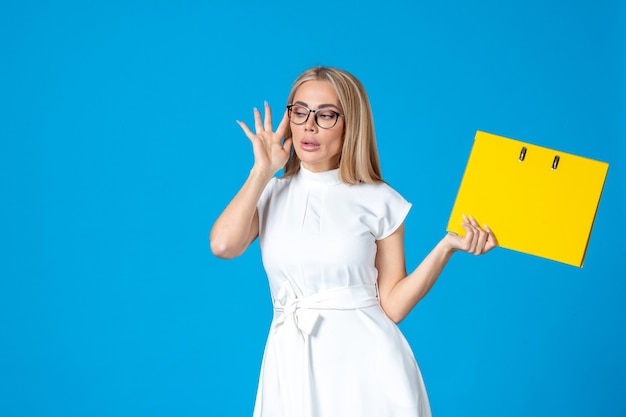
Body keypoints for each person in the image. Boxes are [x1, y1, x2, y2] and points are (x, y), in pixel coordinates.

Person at [210, 66, 497, 417]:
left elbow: (392, 305)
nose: (309, 126)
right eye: (299, 112)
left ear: (351, 124)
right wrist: (261, 171)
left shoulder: (379, 200)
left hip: (368, 370)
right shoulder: (268, 193)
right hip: (290, 365)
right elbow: (223, 246)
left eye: (326, 115)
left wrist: (446, 248)